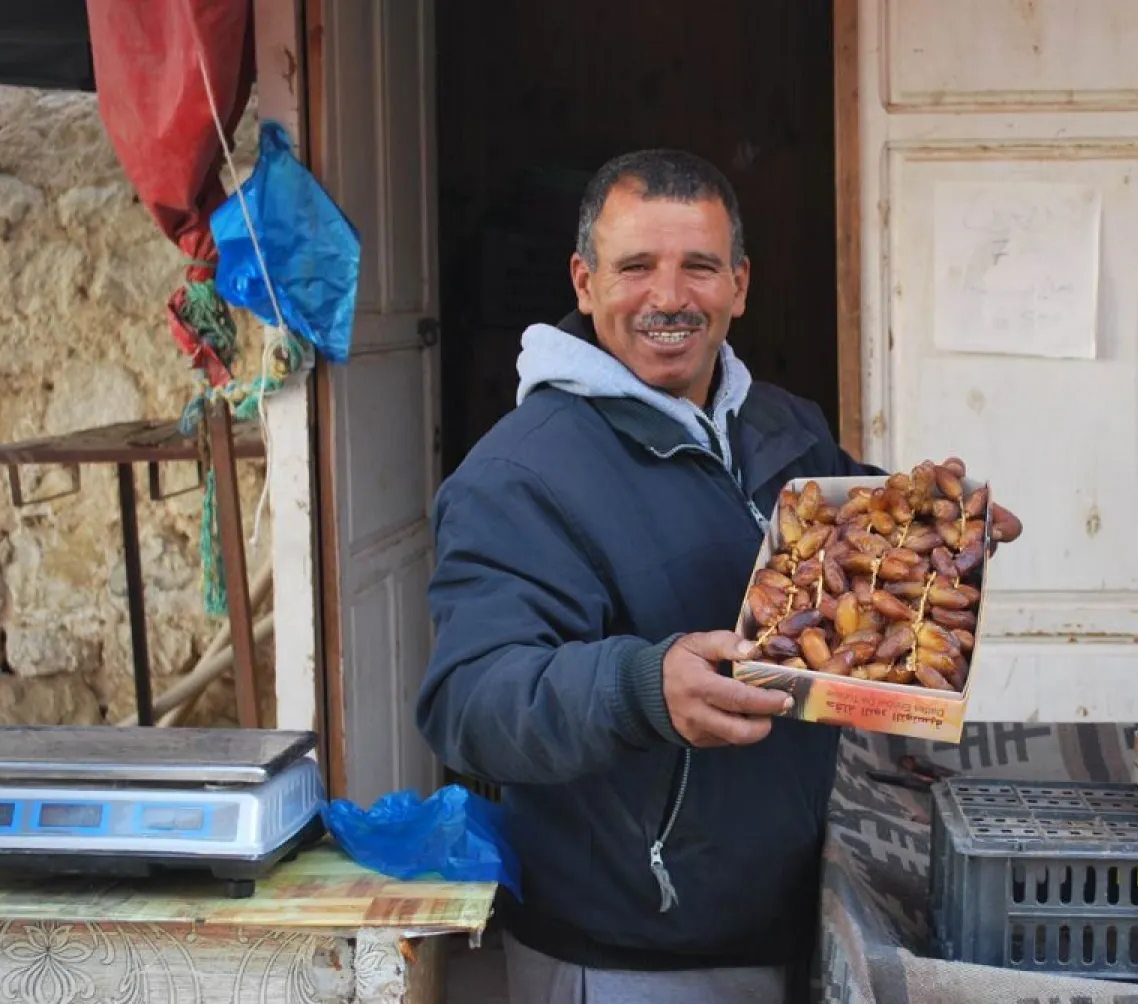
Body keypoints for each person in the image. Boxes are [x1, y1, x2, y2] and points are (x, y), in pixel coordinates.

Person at [415, 148, 1023, 1003]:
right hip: (630, 952)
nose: (669, 298)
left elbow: (848, 551)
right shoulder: (519, 475)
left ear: (738, 284)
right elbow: (470, 700)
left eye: (698, 267)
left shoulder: (782, 425)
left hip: (788, 912)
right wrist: (642, 688)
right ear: (584, 283)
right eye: (635, 269)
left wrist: (933, 529)